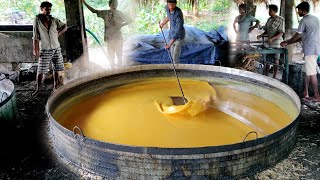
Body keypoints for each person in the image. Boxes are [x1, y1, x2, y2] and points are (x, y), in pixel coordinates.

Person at [281, 2, 320, 102]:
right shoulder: (315, 19)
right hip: (314, 48)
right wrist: (288, 42)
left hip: (310, 49)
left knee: (312, 73)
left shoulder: (304, 20)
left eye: (299, 10)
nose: (298, 12)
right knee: (307, 71)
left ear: (304, 10)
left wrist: (287, 42)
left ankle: (316, 96)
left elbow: (297, 35)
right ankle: (306, 92)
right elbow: (303, 37)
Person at [82, 0, 132, 67]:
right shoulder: (105, 13)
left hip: (118, 39)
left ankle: (120, 71)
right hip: (109, 39)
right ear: (109, 5)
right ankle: (113, 71)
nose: (114, 5)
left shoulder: (120, 14)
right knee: (111, 57)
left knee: (119, 56)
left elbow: (130, 20)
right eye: (113, 4)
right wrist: (84, 3)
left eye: (116, 4)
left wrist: (121, 25)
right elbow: (94, 10)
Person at [32, 1, 67, 96]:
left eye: (50, 9)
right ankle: (38, 89)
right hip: (45, 49)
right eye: (46, 9)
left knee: (57, 68)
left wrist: (59, 33)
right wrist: (35, 49)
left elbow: (65, 26)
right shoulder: (37, 20)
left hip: (56, 48)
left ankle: (55, 87)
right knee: (41, 71)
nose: (48, 11)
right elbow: (35, 36)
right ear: (41, 9)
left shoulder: (54, 20)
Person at [257, 4, 284, 79]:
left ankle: (275, 75)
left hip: (277, 43)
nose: (269, 12)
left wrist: (272, 39)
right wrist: (261, 35)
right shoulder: (269, 19)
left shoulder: (280, 19)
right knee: (268, 60)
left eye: (270, 11)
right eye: (269, 10)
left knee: (276, 60)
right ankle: (266, 74)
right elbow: (266, 31)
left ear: (275, 11)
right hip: (269, 43)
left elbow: (281, 33)